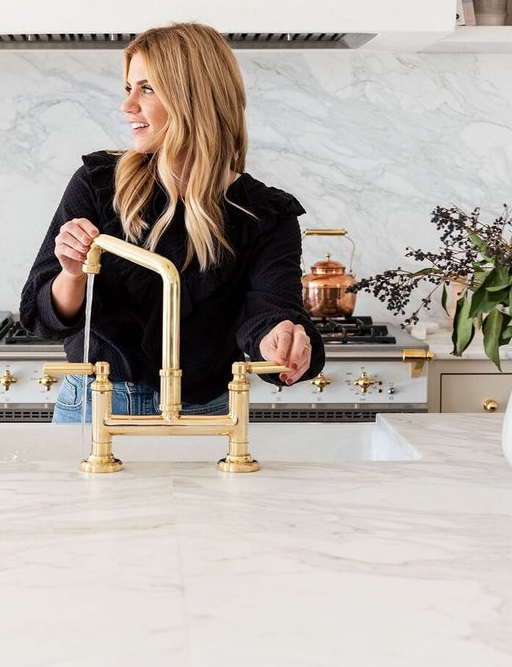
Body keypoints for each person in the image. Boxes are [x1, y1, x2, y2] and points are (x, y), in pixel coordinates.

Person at [19, 22, 325, 422]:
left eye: (146, 89)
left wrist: (280, 339)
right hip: (96, 405)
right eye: (128, 89)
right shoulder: (98, 183)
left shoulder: (265, 213)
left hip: (210, 413)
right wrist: (73, 274)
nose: (127, 106)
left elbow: (269, 309)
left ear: (194, 98)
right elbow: (41, 318)